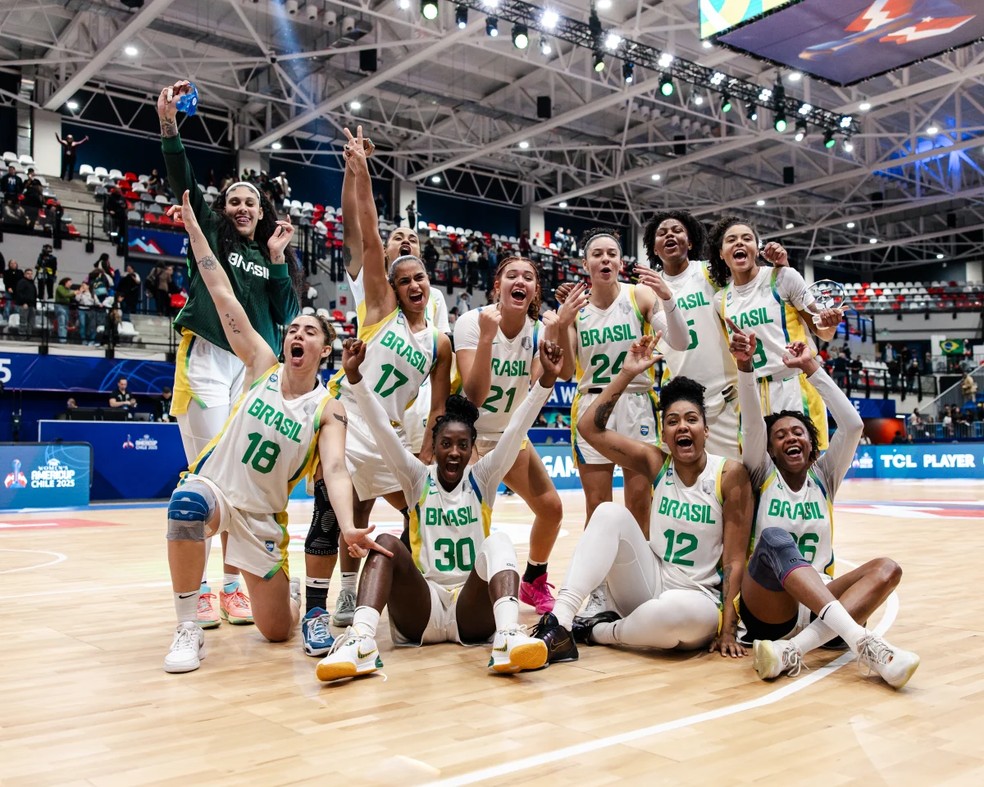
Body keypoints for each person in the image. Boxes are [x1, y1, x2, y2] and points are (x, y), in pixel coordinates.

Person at [162, 189, 376, 674]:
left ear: (325, 351)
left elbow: (338, 470)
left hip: (261, 518)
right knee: (186, 503)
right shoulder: (261, 363)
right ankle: (187, 628)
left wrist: (347, 526)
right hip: (217, 491)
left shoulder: (328, 408)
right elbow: (220, 292)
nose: (297, 335)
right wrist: (196, 231)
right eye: (294, 329)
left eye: (310, 332)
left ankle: (295, 600)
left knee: (277, 631)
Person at [314, 336, 565, 681]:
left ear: (472, 448)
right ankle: (361, 642)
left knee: (499, 541)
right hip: (423, 607)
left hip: (471, 609)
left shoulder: (484, 477)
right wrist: (355, 378)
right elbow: (382, 431)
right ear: (433, 445)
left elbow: (517, 428)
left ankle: (507, 637)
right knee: (386, 542)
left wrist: (545, 382)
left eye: (463, 445)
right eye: (446, 444)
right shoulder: (416, 477)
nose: (454, 452)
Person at [159, 79, 301, 628]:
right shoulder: (214, 239)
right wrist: (171, 125)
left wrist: (279, 257)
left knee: (242, 477)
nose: (242, 206)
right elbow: (183, 182)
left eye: (251, 201)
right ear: (224, 210)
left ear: (261, 212)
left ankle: (231, 587)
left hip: (255, 372)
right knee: (207, 475)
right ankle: (194, 599)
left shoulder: (266, 256)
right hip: (207, 362)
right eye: (234, 200)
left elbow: (287, 310)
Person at [532, 334, 752, 662]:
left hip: (699, 602)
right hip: (651, 584)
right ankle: (560, 622)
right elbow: (588, 428)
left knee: (675, 614)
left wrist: (729, 630)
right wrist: (627, 374)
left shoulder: (728, 474)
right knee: (608, 512)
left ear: (706, 430)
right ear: (663, 434)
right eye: (673, 421)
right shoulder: (656, 462)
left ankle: (594, 631)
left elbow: (735, 559)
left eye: (692, 420)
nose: (683, 427)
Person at [727, 329, 920, 688]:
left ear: (811, 442)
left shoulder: (825, 476)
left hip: (823, 605)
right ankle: (865, 644)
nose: (790, 437)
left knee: (887, 569)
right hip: (772, 606)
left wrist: (812, 368)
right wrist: (745, 366)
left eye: (798, 431)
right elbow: (752, 423)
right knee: (773, 538)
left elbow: (853, 425)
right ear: (769, 449)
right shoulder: (762, 473)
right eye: (780, 435)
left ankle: (793, 650)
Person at [324, 126, 452, 632]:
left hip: (392, 435)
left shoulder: (439, 341)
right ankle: (348, 593)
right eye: (405, 280)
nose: (415, 284)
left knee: (419, 508)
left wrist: (424, 450)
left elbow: (439, 404)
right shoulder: (379, 312)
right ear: (393, 290)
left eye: (420, 276)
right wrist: (360, 171)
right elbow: (370, 236)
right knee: (349, 520)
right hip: (351, 424)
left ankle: (418, 578)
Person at [553, 228, 689, 614]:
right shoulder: (576, 310)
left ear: (620, 260)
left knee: (638, 504)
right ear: (586, 264)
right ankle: (596, 590)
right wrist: (561, 325)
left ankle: (639, 584)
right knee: (597, 507)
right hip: (593, 403)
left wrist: (666, 298)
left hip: (637, 401)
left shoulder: (639, 295)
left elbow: (678, 341)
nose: (606, 259)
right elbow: (564, 372)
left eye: (612, 252)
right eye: (597, 254)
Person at [454, 256, 563, 614]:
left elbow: (540, 382)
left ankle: (533, 580)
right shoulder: (473, 322)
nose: (521, 280)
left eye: (529, 277)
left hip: (509, 436)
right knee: (469, 520)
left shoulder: (537, 330)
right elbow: (475, 395)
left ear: (534, 291)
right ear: (497, 285)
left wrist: (562, 330)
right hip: (468, 436)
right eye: (512, 275)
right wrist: (487, 339)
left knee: (551, 509)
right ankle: (463, 591)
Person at [709, 216, 842, 450]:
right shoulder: (720, 300)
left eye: (746, 238)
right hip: (752, 392)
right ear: (721, 253)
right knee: (757, 473)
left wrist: (830, 321)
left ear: (756, 249)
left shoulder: (783, 277)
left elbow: (825, 332)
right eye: (731, 240)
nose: (739, 243)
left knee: (804, 470)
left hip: (793, 385)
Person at [14, 268, 37, 335]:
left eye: (31, 274)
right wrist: (24, 302)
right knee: (23, 322)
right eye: (28, 273)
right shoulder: (22, 282)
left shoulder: (32, 283)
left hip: (31, 305)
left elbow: (34, 295)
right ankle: (22, 335)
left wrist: (34, 305)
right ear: (24, 274)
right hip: (24, 305)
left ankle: (29, 335)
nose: (30, 275)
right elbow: (19, 293)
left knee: (31, 323)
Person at [53, 277, 74, 343]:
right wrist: (74, 293)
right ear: (65, 282)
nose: (71, 284)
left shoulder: (69, 289)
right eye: (69, 282)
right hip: (60, 306)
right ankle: (62, 340)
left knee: (65, 323)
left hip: (66, 306)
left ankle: (64, 338)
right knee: (62, 322)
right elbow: (64, 295)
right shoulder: (60, 287)